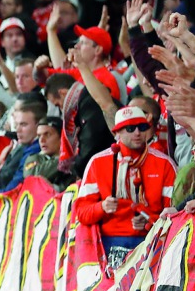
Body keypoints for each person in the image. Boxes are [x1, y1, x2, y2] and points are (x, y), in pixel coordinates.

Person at [74, 106, 177, 265]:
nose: (137, 133)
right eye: (130, 128)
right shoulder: (97, 163)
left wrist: (151, 222)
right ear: (116, 134)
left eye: (142, 127)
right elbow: (81, 212)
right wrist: (102, 207)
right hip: (109, 242)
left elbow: (175, 215)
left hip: (153, 239)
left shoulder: (164, 164)